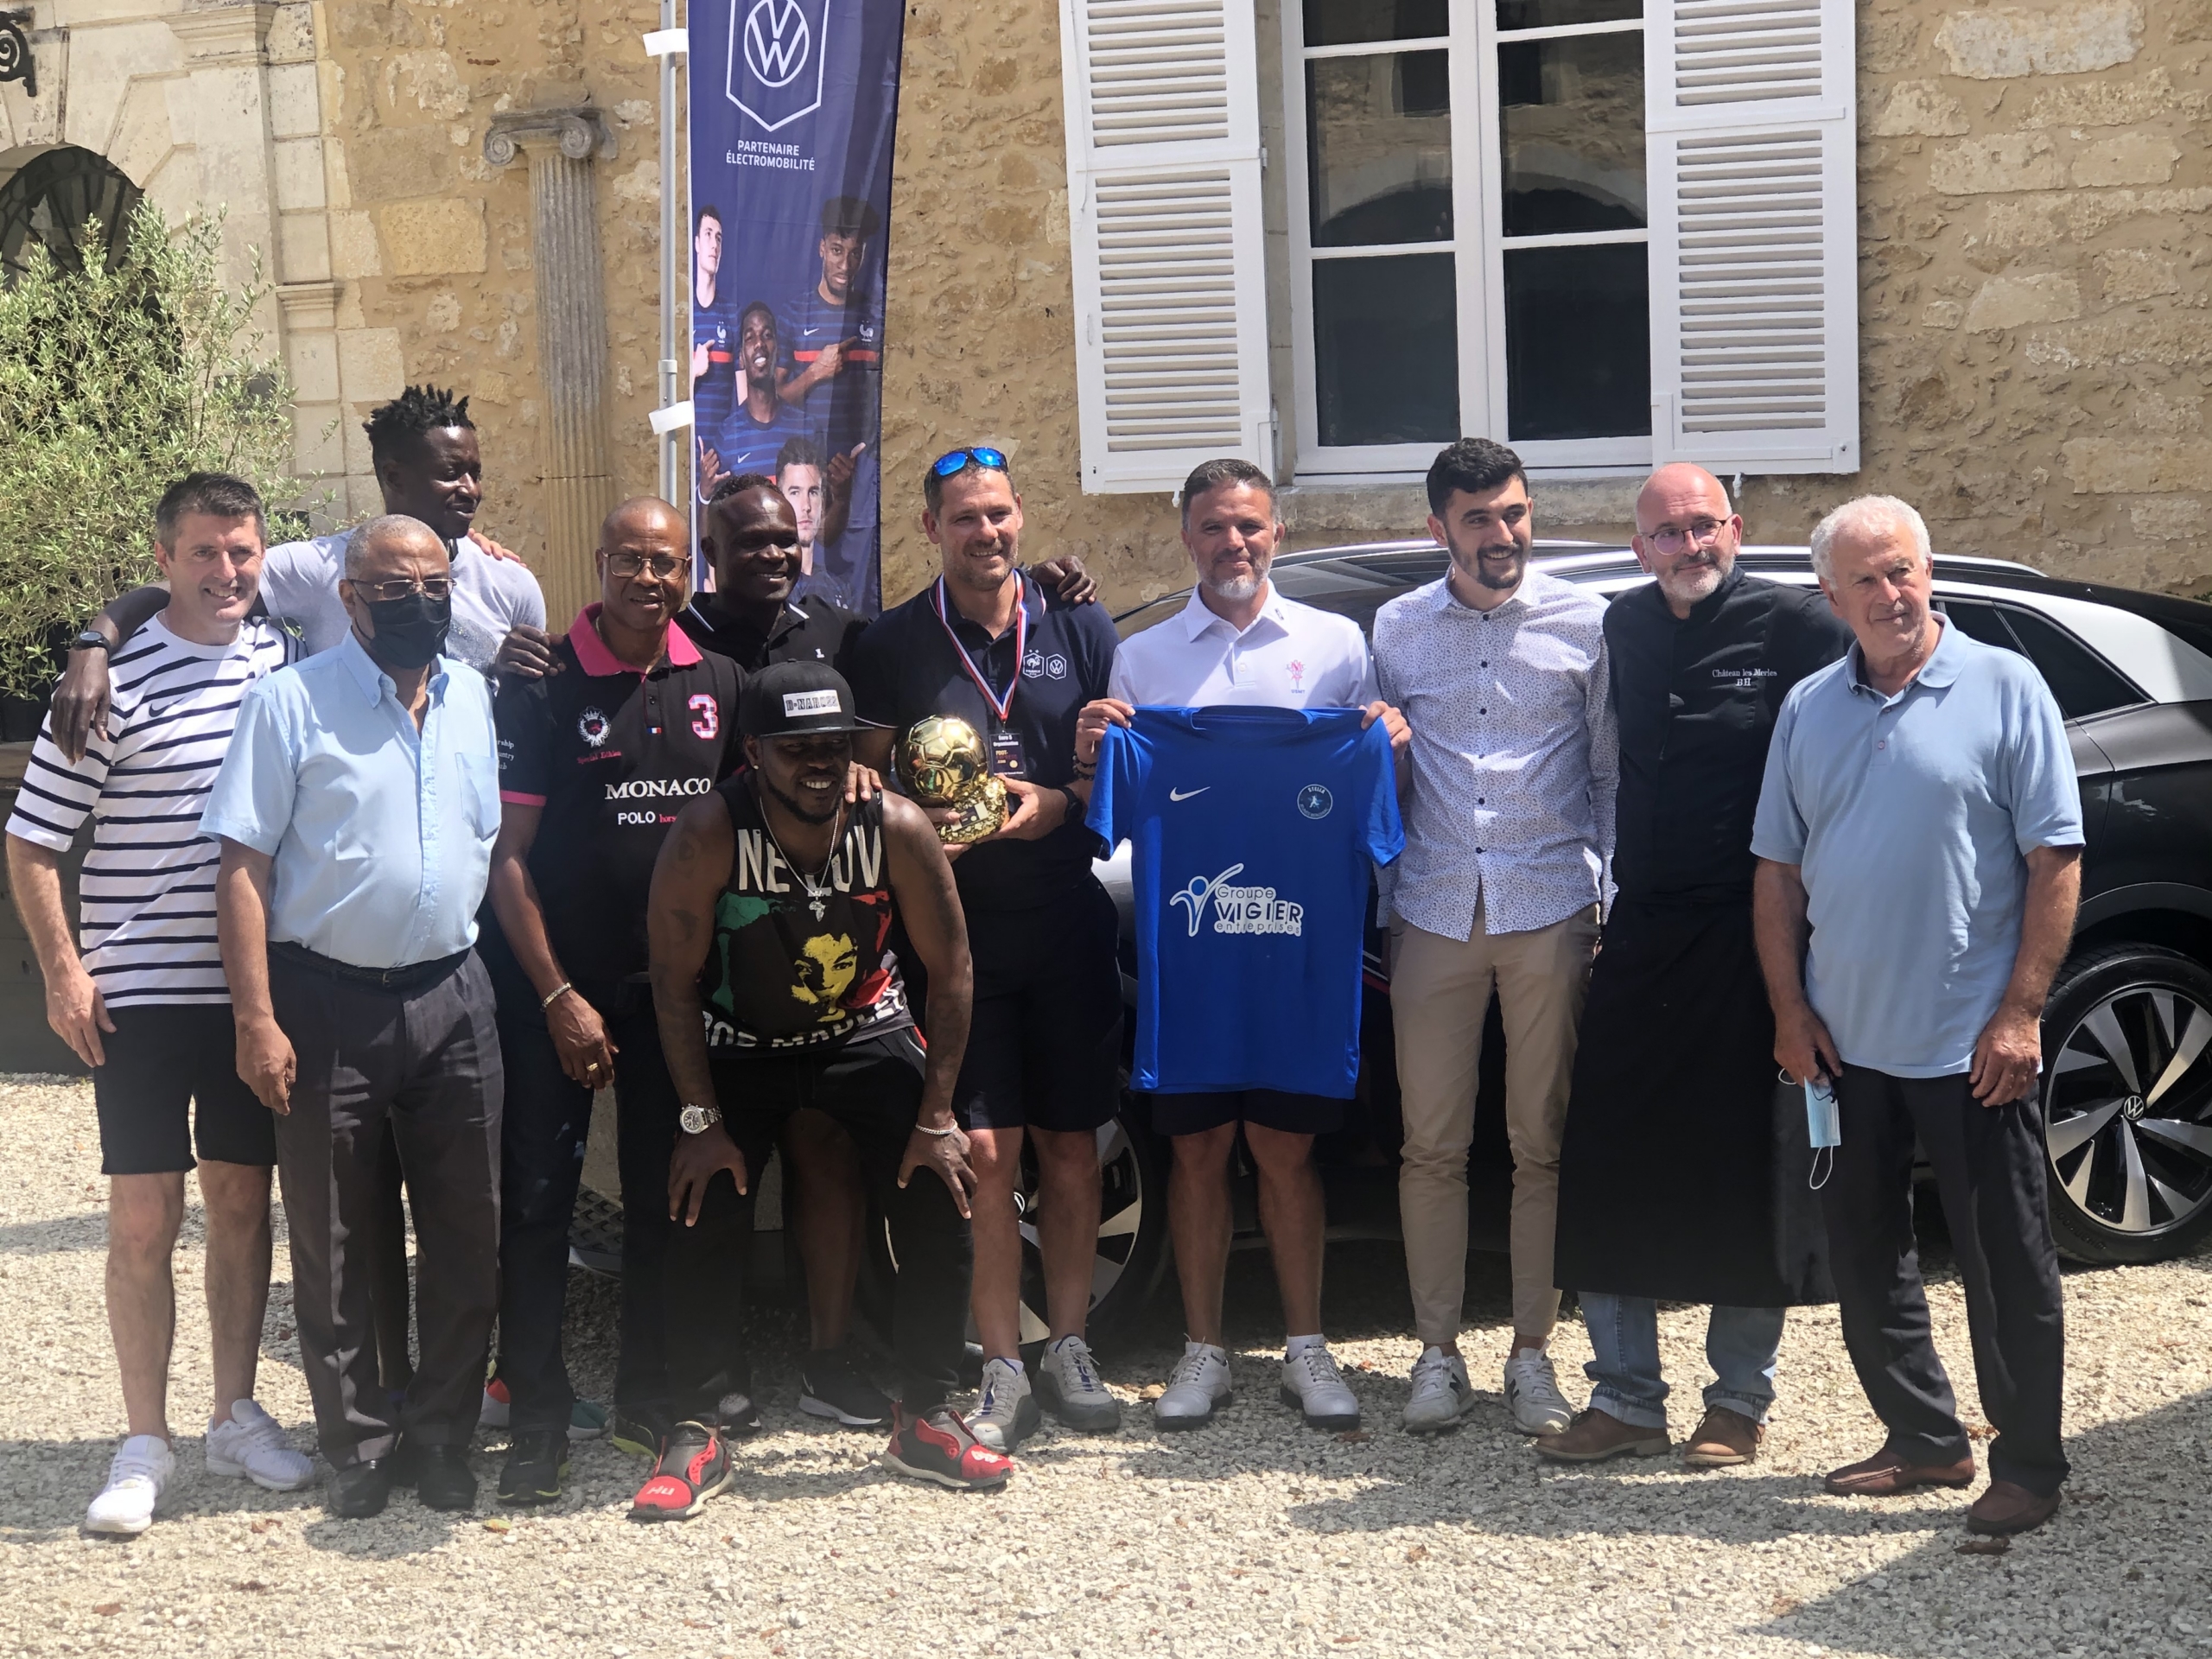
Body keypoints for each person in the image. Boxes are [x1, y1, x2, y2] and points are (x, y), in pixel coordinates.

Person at [52, 385, 546, 1416]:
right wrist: (94, 640)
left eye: (473, 470)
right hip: (273, 978)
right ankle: (316, 1423)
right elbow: (200, 577)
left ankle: (420, 1424)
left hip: (443, 971)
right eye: (444, 472)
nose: (466, 487)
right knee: (320, 1220)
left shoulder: (505, 586)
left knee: (438, 1213)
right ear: (389, 487)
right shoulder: (310, 582)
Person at [1751, 494, 2083, 1538]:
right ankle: (1923, 1437)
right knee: (1862, 1254)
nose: (1889, 593)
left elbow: (2055, 859)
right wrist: (1789, 1011)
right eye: (1866, 579)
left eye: (1903, 570)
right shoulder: (1808, 707)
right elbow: (1776, 873)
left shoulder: (2005, 686)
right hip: (1842, 1047)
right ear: (1831, 596)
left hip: (1969, 1045)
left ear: (1927, 572)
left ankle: (2027, 1463)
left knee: (2005, 1261)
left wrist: (2020, 1012)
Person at [4, 474, 314, 1535]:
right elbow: (31, 842)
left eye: (241, 551)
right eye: (203, 553)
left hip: (251, 991)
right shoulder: (107, 687)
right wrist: (63, 972)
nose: (226, 572)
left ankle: (234, 1413)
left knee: (242, 1202)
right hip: (137, 990)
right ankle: (144, 1439)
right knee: (144, 1216)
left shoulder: (287, 663)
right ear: (164, 558)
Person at [1073, 458, 1407, 1433]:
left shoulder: (1337, 646)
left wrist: (1382, 741)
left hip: (1299, 960)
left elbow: (1381, 799)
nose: (1235, 543)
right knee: (1196, 1152)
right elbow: (1108, 807)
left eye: (1251, 526)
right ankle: (1203, 1349)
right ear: (1187, 537)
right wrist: (1098, 747)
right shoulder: (1143, 661)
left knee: (1289, 1152)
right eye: (1215, 527)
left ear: (1276, 533)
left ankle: (1306, 1348)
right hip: (1194, 963)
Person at [640, 660, 1008, 1510]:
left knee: (942, 1179)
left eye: (833, 747)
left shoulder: (895, 826)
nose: (818, 765)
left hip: (860, 1030)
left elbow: (951, 969)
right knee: (700, 1199)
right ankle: (695, 1428)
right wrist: (699, 1119)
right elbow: (672, 980)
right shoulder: (711, 831)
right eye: (796, 748)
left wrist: (938, 1114)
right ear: (753, 753)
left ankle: (926, 1415)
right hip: (741, 1042)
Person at [1541, 465, 1850, 1466]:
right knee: (1609, 1158)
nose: (1689, 547)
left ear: (1736, 529)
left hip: (1755, 928)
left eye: (1703, 526)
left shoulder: (1797, 626)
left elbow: (1850, 758)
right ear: (1639, 549)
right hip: (1640, 926)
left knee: (1747, 1166)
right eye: (1667, 534)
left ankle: (1738, 1402)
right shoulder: (1622, 626)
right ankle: (1626, 1398)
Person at [203, 512, 505, 1520]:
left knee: (467, 1232)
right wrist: (255, 1018)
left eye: (434, 586)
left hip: (453, 994)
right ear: (349, 597)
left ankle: (443, 1437)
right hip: (325, 1000)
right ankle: (358, 1445)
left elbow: (484, 840)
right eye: (393, 588)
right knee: (330, 1241)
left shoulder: (472, 697)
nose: (419, 603)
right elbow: (241, 867)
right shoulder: (288, 702)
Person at [847, 447, 1123, 1452]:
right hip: (953, 935)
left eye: (999, 513)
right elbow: (865, 789)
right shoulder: (889, 643)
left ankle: (1070, 1347)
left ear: (1022, 517)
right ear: (931, 529)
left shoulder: (1080, 627)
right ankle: (1002, 1363)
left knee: (1071, 1147)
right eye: (964, 517)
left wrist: (1055, 804)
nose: (987, 533)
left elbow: (1111, 770)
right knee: (989, 1153)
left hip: (1064, 917)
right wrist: (922, 830)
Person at [483, 497, 747, 1503]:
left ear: (689, 573)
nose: (648, 579)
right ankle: (536, 1418)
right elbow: (507, 861)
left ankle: (646, 1398)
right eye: (629, 560)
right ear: (598, 565)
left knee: (660, 1202)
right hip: (555, 995)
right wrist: (558, 996)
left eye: (665, 563)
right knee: (538, 1204)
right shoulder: (545, 683)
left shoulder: (717, 680)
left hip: (670, 1002)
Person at [1371, 437, 1615, 1436]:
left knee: (1539, 1143)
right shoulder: (1394, 630)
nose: (1501, 534)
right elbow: (1373, 779)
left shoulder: (1586, 623)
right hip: (1432, 908)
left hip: (1549, 907)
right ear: (1439, 528)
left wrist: (1608, 898)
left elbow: (1607, 774)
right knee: (1429, 1145)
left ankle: (1530, 1355)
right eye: (1477, 519)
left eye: (1513, 512)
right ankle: (1436, 1355)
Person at [778, 196, 886, 611]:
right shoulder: (794, 313)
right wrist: (816, 373)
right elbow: (775, 399)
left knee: (855, 594)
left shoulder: (872, 315)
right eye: (838, 250)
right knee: (801, 587)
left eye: (855, 253)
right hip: (806, 477)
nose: (846, 263)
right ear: (822, 248)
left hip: (859, 478)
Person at [702, 304, 813, 494]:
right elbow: (717, 511)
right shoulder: (727, 437)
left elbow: (820, 508)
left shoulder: (806, 429)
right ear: (741, 358)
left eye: (767, 335)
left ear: (778, 351)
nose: (759, 343)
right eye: (749, 337)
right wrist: (705, 494)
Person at [690, 204, 739, 501]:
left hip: (723, 455)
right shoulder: (683, 313)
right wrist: (693, 372)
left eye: (719, 238)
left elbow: (743, 396)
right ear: (696, 243)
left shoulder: (732, 313)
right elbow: (663, 396)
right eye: (708, 235)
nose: (714, 244)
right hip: (685, 450)